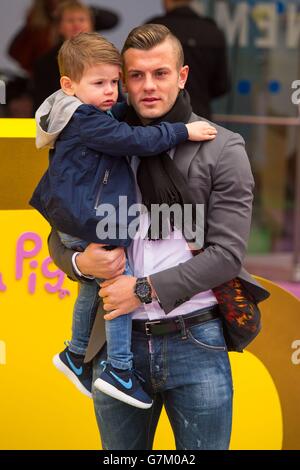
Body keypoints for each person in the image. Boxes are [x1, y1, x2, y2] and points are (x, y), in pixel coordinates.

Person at [47, 24, 269, 450]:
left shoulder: (222, 147)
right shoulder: (95, 136)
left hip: (197, 341)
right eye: (136, 75)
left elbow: (226, 255)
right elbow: (61, 232)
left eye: (161, 73)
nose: (148, 86)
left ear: (182, 76)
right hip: (115, 347)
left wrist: (142, 291)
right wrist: (79, 263)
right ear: (122, 80)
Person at [30, 32, 217, 409]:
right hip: (86, 223)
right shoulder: (88, 120)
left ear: (182, 76)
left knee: (94, 287)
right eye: (101, 83)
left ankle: (74, 353)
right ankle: (118, 369)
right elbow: (135, 139)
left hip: (82, 222)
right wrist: (183, 131)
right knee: (118, 283)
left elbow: (226, 253)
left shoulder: (86, 113)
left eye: (115, 82)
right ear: (69, 86)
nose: (112, 92)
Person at [146, 0, 230, 119]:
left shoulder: (153, 29)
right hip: (200, 116)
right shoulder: (212, 32)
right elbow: (222, 86)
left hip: (159, 118)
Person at [32, 0, 118, 112]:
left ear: (91, 24)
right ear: (59, 27)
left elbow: (113, 19)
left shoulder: (105, 55)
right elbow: (42, 105)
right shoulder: (44, 63)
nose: (77, 25)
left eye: (82, 19)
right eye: (70, 20)